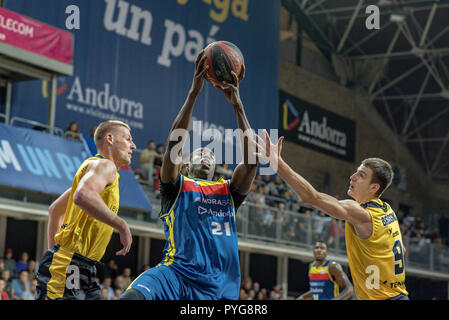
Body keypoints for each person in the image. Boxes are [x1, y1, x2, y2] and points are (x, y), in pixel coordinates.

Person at [120, 49, 256, 300]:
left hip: (218, 284)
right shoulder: (176, 186)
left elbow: (251, 162)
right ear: (185, 164)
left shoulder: (228, 192)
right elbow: (173, 146)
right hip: (175, 274)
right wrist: (194, 93)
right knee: (132, 297)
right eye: (198, 152)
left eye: (211, 155)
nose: (206, 155)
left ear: (216, 169)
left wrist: (238, 105)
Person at [255, 132, 408, 300]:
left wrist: (278, 164)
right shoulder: (388, 211)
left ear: (374, 188)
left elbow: (311, 197)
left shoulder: (362, 213)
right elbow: (402, 250)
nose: (353, 177)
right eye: (356, 172)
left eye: (361, 175)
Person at [35, 120, 135, 300]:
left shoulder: (98, 172)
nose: (133, 146)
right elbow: (82, 195)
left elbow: (55, 210)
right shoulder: (105, 165)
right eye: (128, 139)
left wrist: (56, 255)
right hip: (71, 263)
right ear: (110, 139)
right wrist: (121, 225)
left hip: (83, 266)